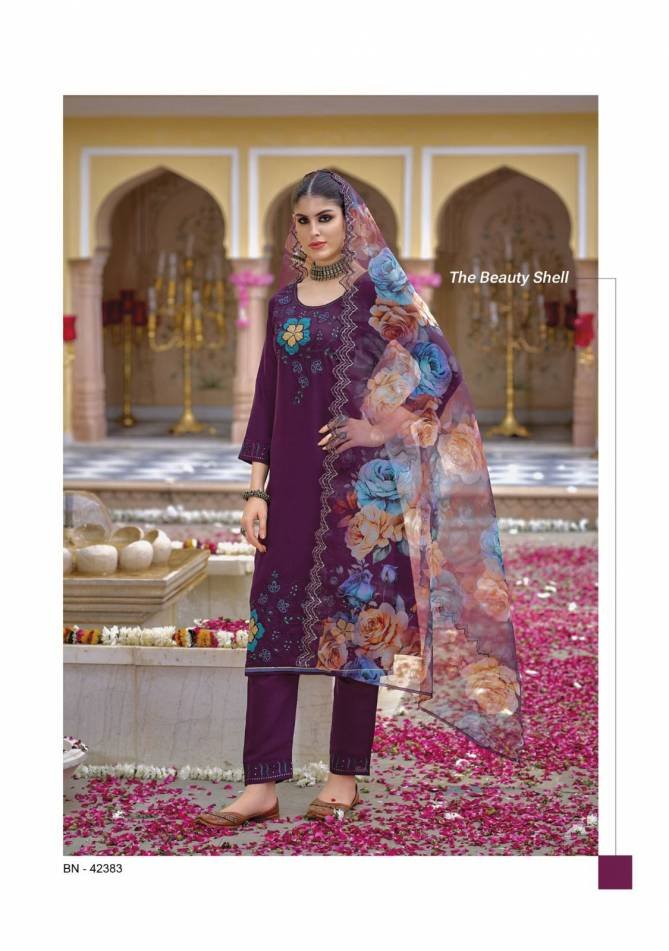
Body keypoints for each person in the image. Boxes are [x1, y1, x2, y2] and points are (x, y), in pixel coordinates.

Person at [197, 169, 524, 829]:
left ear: (349, 222)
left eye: (325, 217)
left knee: (357, 630)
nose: (313, 230)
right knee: (271, 627)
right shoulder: (283, 304)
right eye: (302, 220)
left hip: (364, 497)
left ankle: (342, 776)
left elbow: (440, 369)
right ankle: (261, 784)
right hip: (290, 489)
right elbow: (267, 397)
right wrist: (255, 489)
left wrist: (377, 427)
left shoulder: (378, 292)